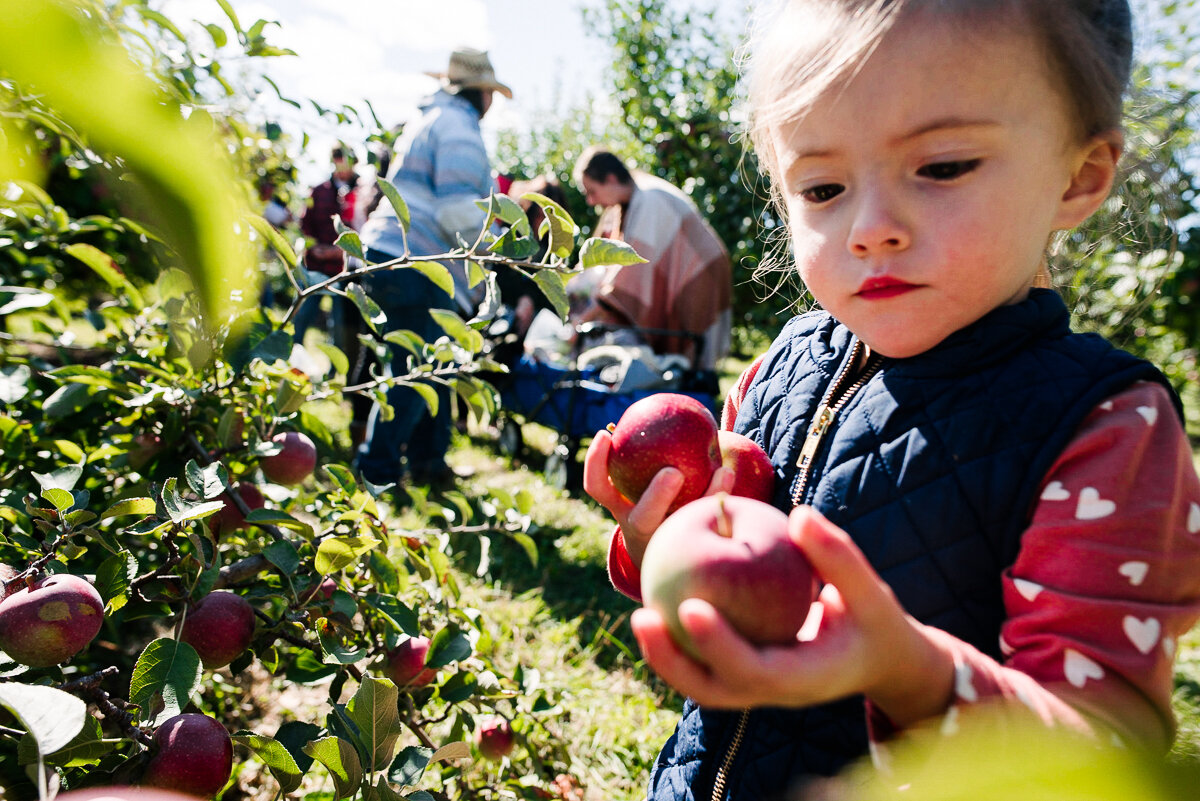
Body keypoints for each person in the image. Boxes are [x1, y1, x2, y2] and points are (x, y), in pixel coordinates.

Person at [581, 2, 1200, 799]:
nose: (871, 228)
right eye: (823, 185)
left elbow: (1099, 763)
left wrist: (909, 671)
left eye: (941, 167)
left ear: (1077, 176)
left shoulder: (1104, 428)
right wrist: (661, 542)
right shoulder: (783, 364)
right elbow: (728, 578)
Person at [355, 48, 511, 489]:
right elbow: (456, 210)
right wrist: (500, 240)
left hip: (395, 252)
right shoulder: (459, 127)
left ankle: (428, 460)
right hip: (418, 260)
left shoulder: (430, 118)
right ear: (480, 93)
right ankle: (377, 471)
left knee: (434, 363)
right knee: (414, 369)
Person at [572, 147, 732, 371]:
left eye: (592, 191)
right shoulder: (635, 197)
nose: (591, 201)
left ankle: (689, 388)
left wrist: (583, 320)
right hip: (698, 268)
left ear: (610, 179)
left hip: (700, 272)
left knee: (689, 346)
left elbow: (628, 274)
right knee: (676, 352)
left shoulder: (648, 199)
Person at [293, 145, 360, 347]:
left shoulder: (363, 190)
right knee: (303, 313)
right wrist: (313, 248)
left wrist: (342, 251)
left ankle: (334, 370)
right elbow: (306, 224)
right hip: (317, 265)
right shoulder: (319, 191)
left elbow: (363, 227)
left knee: (340, 323)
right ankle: (292, 355)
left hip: (346, 268)